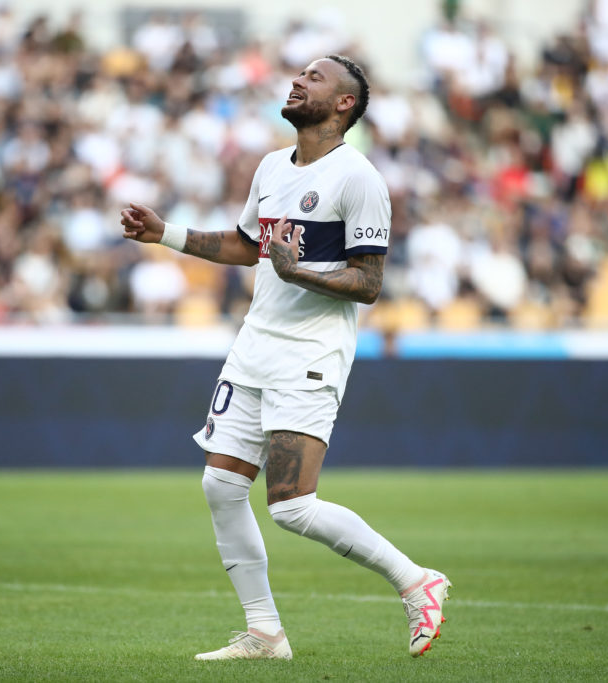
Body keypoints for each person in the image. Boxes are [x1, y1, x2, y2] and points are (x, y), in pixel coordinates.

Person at [120, 55, 451, 660]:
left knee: (292, 506)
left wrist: (298, 272)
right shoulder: (273, 166)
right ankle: (265, 632)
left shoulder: (359, 179)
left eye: (315, 78)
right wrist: (165, 234)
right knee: (221, 485)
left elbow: (370, 282)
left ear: (345, 103)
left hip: (311, 353)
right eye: (299, 74)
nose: (299, 81)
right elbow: (247, 246)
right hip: (254, 347)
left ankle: (416, 580)